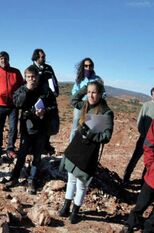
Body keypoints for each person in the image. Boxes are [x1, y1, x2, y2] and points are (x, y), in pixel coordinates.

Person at [58, 81, 113, 224]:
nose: (91, 95)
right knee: (71, 180)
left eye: (94, 92)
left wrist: (91, 135)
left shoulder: (106, 112)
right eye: (89, 92)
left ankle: (75, 212)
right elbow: (73, 100)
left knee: (81, 184)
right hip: (76, 148)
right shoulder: (85, 105)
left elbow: (106, 137)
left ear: (101, 94)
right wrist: (84, 88)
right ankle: (66, 207)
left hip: (89, 153)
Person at [4, 65, 58, 194]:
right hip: (27, 129)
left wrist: (44, 112)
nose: (31, 79)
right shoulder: (22, 90)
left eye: (33, 77)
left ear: (38, 77)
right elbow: (17, 104)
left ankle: (32, 180)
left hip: (41, 129)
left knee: (37, 156)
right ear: (25, 77)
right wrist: (27, 90)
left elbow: (53, 107)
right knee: (21, 154)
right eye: (28, 77)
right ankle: (14, 177)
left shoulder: (45, 90)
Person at [113, 110, 154, 233]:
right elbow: (149, 143)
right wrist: (150, 165)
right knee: (140, 205)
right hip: (152, 177)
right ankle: (128, 227)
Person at [0, 51, 23, 159]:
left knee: (13, 128)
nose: (3, 60)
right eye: (1, 58)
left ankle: (10, 148)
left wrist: (18, 97)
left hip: (13, 106)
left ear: (9, 59)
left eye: (5, 58)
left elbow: (21, 86)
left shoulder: (16, 72)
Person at [122, 86, 154, 184]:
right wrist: (143, 134)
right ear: (151, 95)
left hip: (153, 141)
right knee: (135, 158)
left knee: (149, 162)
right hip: (144, 138)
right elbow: (140, 121)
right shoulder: (146, 105)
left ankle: (144, 182)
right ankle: (126, 178)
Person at [32, 48, 59, 155]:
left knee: (48, 122)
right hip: (37, 100)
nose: (44, 58)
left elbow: (54, 81)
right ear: (36, 57)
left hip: (48, 99)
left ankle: (46, 143)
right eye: (42, 57)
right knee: (37, 122)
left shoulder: (48, 68)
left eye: (44, 57)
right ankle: (35, 145)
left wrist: (56, 91)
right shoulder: (31, 68)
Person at [70, 58, 103, 143]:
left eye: (90, 66)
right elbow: (74, 92)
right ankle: (70, 150)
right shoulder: (79, 79)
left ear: (92, 67)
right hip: (80, 106)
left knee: (88, 129)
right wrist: (81, 95)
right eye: (86, 66)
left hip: (93, 107)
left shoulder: (97, 79)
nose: (88, 68)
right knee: (75, 128)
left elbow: (103, 93)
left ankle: (83, 151)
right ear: (83, 67)